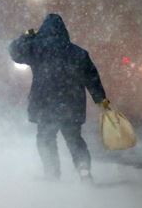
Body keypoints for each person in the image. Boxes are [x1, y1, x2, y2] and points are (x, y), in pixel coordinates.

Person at [9, 13, 110, 181]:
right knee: (74, 139)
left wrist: (27, 35)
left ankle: (52, 173)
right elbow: (92, 78)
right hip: (72, 103)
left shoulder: (36, 48)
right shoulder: (78, 53)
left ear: (44, 30)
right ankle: (84, 170)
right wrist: (101, 99)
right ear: (64, 31)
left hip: (45, 103)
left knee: (46, 138)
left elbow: (14, 51)